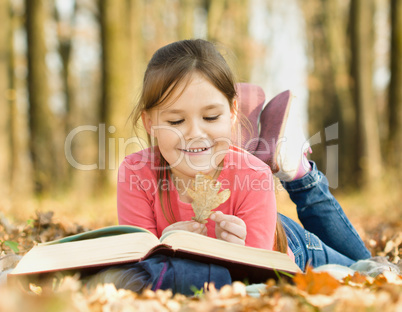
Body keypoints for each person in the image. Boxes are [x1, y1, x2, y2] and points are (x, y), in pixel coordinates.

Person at [93, 39, 370, 294]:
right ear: (149, 123)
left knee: (366, 270)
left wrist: (239, 253)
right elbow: (139, 262)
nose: (194, 133)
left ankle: (299, 174)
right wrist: (163, 245)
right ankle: (251, 146)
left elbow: (258, 277)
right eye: (176, 122)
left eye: (211, 117)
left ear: (233, 112)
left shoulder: (254, 176)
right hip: (249, 215)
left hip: (285, 245)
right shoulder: (135, 173)